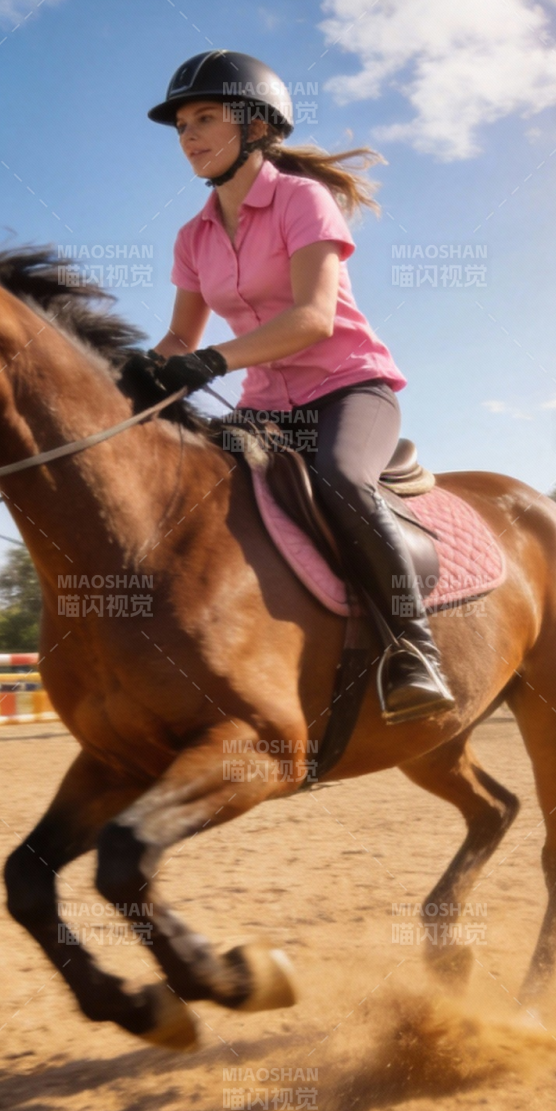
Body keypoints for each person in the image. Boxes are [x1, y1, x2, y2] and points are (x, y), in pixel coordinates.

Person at [130, 49, 454, 726]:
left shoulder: (303, 200)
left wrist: (214, 361)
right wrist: (134, 371)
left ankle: (413, 652)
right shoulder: (192, 236)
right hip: (265, 407)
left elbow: (311, 318)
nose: (187, 137)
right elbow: (180, 341)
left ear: (254, 127)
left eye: (204, 119)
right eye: (181, 125)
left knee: (338, 476)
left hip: (349, 389)